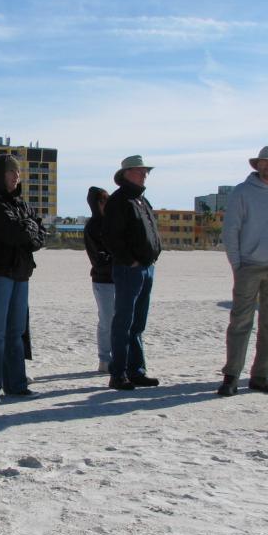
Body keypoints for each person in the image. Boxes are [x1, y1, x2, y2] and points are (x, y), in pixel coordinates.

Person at [217, 146, 268, 397]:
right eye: (264, 162)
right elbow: (231, 230)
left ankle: (260, 376)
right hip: (248, 267)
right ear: (257, 165)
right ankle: (231, 376)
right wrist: (237, 264)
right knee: (240, 323)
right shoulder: (242, 192)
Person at [0, 155, 45, 402]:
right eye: (11, 172)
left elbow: (40, 233)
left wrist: (29, 228)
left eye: (18, 172)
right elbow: (13, 233)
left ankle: (16, 385)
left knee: (16, 331)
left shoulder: (22, 203)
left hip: (21, 273)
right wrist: (28, 228)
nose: (16, 176)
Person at [102, 156, 162, 390]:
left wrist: (152, 257)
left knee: (138, 323)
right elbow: (111, 237)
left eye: (146, 171)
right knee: (124, 322)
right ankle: (118, 373)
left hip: (146, 268)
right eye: (140, 171)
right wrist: (131, 261)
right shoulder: (119, 201)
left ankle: (136, 370)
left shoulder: (141, 200)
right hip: (130, 269)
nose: (144, 174)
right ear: (126, 173)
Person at [83, 186, 114, 374]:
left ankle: (119, 357)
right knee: (106, 321)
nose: (105, 204)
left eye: (107, 200)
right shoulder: (92, 226)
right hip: (103, 280)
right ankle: (104, 359)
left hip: (121, 278)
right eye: (102, 201)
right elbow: (98, 258)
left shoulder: (114, 222)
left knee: (121, 321)